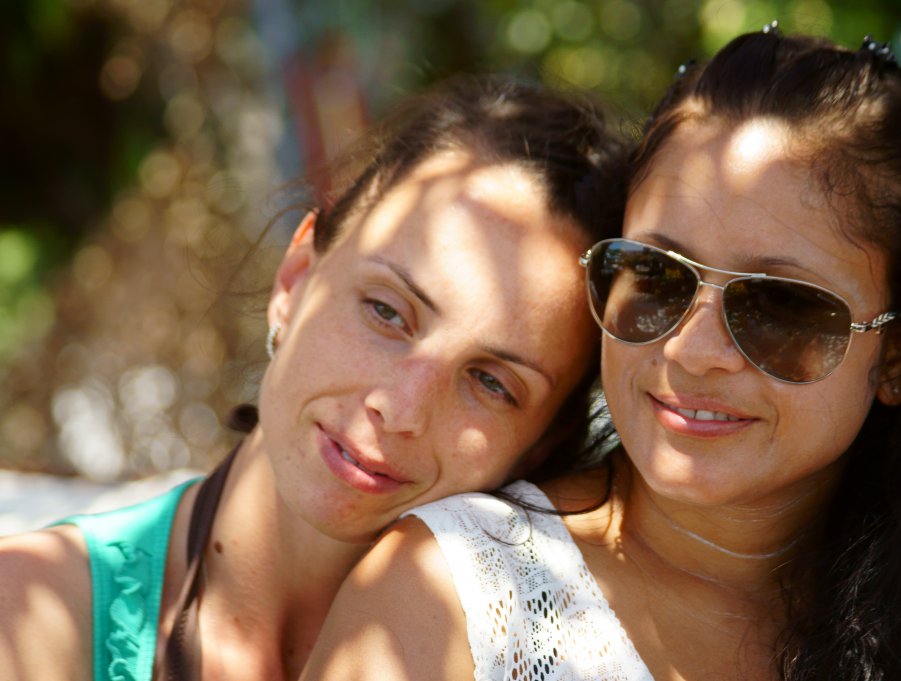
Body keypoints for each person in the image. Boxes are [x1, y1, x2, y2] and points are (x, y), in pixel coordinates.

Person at [300, 28, 901, 681]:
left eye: (779, 306)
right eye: (656, 275)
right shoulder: (452, 599)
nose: (692, 349)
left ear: (899, 352)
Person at [0, 75, 628, 681]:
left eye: (492, 384)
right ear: (296, 279)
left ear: (541, 443)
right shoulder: (30, 614)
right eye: (386, 311)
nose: (401, 408)